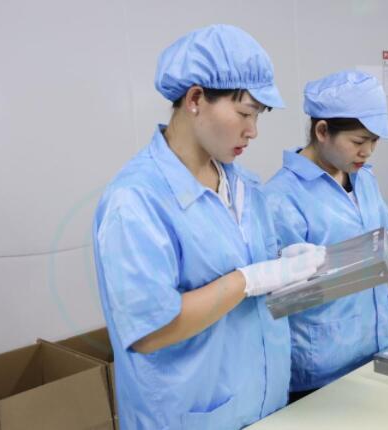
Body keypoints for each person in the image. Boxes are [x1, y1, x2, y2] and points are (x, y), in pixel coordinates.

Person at [92, 24, 325, 429]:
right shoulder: (135, 200)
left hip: (264, 405)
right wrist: (248, 279)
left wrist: (283, 269)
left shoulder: (245, 186)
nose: (253, 131)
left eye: (258, 116)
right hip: (190, 416)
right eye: (245, 113)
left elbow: (252, 290)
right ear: (196, 99)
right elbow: (150, 330)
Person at [263, 70, 388, 400]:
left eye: (374, 141)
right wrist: (362, 267)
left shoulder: (364, 179)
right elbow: (284, 297)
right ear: (322, 131)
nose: (367, 152)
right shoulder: (281, 197)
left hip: (374, 345)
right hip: (320, 363)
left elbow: (386, 232)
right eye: (358, 141)